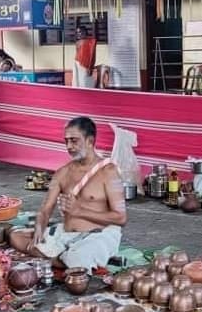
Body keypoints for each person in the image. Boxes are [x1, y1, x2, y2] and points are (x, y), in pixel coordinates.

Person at [11, 116, 126, 271]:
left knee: (77, 257)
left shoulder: (108, 172)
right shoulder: (62, 173)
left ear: (90, 141)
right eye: (66, 141)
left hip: (98, 235)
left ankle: (57, 259)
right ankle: (61, 260)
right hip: (65, 235)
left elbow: (120, 218)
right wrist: (40, 226)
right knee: (16, 237)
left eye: (74, 140)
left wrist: (79, 211)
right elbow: (45, 210)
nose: (69, 146)